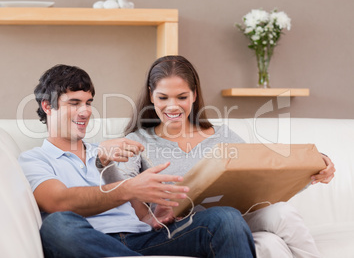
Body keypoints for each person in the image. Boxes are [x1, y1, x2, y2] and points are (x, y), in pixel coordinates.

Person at [18, 64, 256, 258]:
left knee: (226, 218)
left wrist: (154, 214)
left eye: (88, 103)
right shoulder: (34, 160)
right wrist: (129, 187)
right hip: (92, 240)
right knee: (57, 226)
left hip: (144, 238)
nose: (86, 111)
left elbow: (139, 213)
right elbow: (59, 202)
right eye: (74, 103)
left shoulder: (108, 151)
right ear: (47, 106)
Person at [122, 55, 336, 258]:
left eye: (182, 97)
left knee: (284, 212)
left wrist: (317, 165)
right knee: (266, 243)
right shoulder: (137, 141)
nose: (172, 106)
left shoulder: (222, 135)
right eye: (163, 97)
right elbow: (118, 187)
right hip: (184, 226)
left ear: (194, 95)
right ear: (151, 95)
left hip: (238, 217)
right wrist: (146, 214)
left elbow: (262, 172)